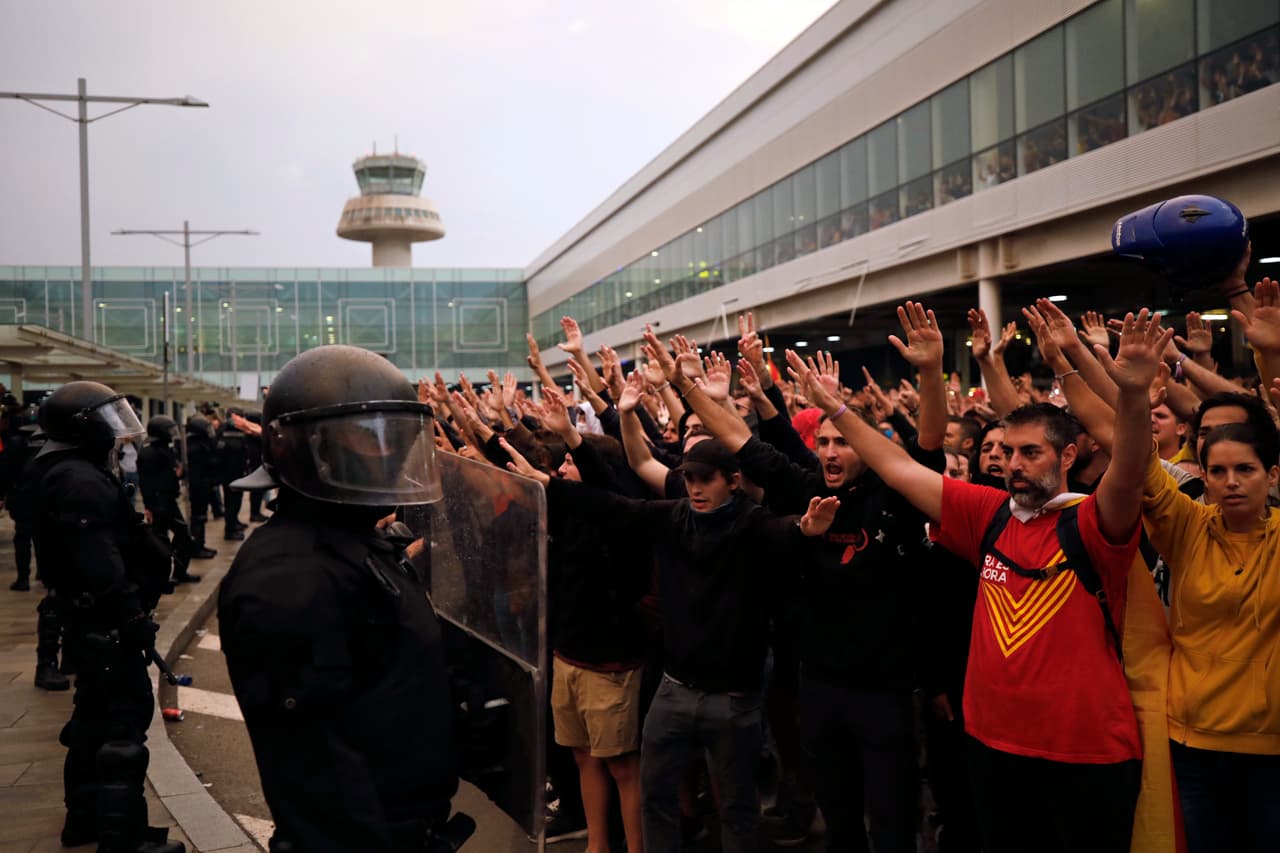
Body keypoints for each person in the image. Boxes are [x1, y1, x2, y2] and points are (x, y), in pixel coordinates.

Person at [785, 308, 1169, 853]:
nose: (1013, 464)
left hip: (1084, 753)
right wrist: (837, 410)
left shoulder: (1091, 521)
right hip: (991, 745)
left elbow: (1131, 468)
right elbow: (898, 468)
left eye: (1029, 453)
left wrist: (1131, 395)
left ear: (1067, 455)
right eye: (1008, 452)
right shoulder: (988, 514)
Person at [503, 433, 840, 853]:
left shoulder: (753, 525)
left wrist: (805, 530)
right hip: (675, 687)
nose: (695, 488)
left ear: (733, 481)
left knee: (736, 809)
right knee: (656, 798)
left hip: (733, 696)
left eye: (705, 479)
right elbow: (611, 505)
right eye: (689, 478)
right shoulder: (674, 515)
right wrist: (549, 483)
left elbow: (782, 531)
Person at [219, 345, 463, 852]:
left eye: (396, 438)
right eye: (367, 439)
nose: (389, 456)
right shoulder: (288, 577)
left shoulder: (352, 540)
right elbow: (316, 773)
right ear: (308, 449)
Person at [30, 381, 182, 852]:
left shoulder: (62, 469)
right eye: (107, 421)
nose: (116, 433)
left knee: (93, 719)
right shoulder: (78, 478)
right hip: (105, 622)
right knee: (122, 721)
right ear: (84, 426)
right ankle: (124, 837)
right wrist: (130, 616)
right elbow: (99, 559)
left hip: (90, 620)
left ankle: (86, 821)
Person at [1140, 418, 1280, 852]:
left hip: (1271, 753)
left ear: (1272, 474)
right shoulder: (1186, 526)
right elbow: (1138, 465)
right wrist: (1131, 394)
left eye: (1246, 469)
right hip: (1191, 746)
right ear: (1203, 476)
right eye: (1217, 472)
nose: (1230, 482)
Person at [137, 416, 199, 584]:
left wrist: (180, 471)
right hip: (159, 503)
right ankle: (163, 576)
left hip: (169, 499)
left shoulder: (165, 448)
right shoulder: (149, 452)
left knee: (181, 537)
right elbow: (146, 483)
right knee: (161, 542)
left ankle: (178, 572)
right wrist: (150, 506)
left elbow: (174, 473)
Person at [183, 415, 218, 560]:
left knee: (201, 517)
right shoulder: (196, 447)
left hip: (202, 485)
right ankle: (197, 548)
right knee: (198, 517)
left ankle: (200, 545)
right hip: (199, 487)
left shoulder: (198, 444)